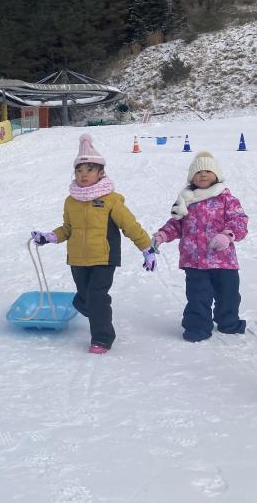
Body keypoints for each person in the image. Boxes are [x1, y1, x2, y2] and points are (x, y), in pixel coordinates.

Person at [30, 134, 154, 354]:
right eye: (79, 170)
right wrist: (49, 237)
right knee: (86, 298)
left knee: (98, 298)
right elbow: (67, 228)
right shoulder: (71, 201)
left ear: (100, 173)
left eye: (89, 169)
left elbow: (130, 226)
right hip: (77, 259)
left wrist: (146, 248)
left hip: (104, 258)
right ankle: (89, 307)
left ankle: (102, 338)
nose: (83, 174)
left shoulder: (111, 200)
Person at [152, 152, 249, 342]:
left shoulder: (226, 199)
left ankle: (229, 322)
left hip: (224, 260)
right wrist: (162, 235)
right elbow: (176, 225)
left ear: (216, 175)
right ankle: (197, 327)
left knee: (228, 294)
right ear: (192, 178)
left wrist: (227, 236)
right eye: (198, 172)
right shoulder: (186, 200)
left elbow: (239, 221)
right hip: (194, 260)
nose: (203, 175)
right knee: (197, 296)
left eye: (207, 171)